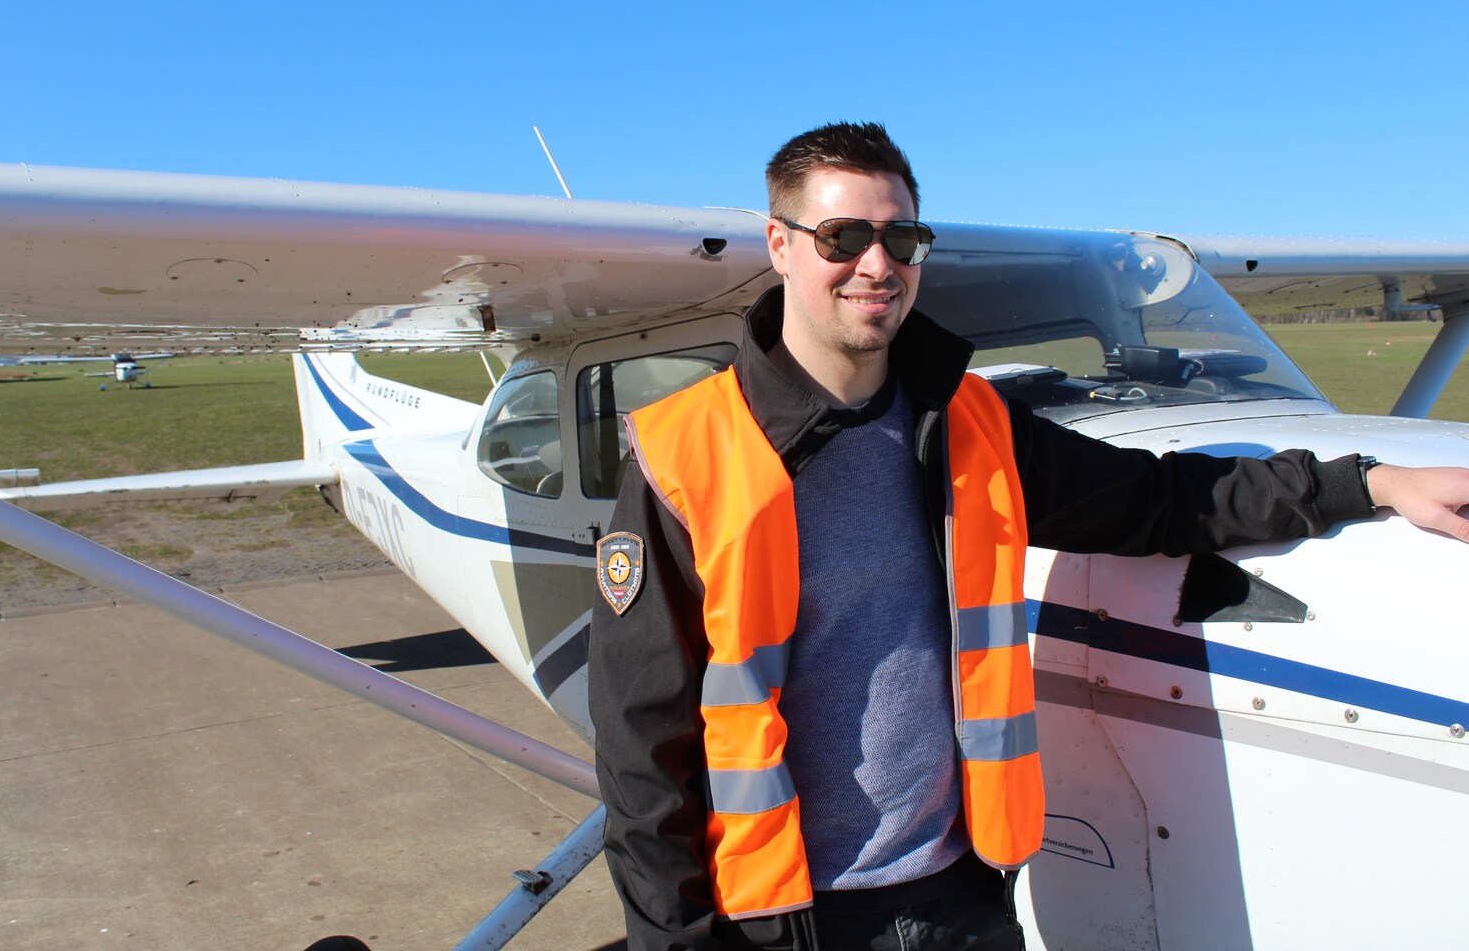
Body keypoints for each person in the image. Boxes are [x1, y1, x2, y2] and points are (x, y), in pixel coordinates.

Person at [587, 122, 1469, 951]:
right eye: (841, 238)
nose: (876, 264)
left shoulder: (972, 422)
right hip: (784, 915)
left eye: (901, 240)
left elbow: (1159, 497)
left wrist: (1368, 483)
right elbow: (642, 744)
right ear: (780, 246)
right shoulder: (684, 451)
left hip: (962, 896)